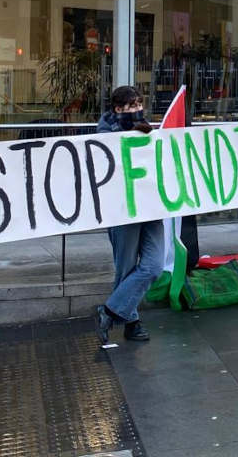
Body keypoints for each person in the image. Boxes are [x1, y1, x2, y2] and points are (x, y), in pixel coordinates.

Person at [94, 86, 161, 345]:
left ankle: (109, 311)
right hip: (122, 210)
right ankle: (132, 323)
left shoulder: (147, 130)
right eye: (131, 106)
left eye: (139, 105)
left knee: (153, 266)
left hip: (153, 207)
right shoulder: (105, 133)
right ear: (118, 109)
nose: (137, 110)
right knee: (126, 268)